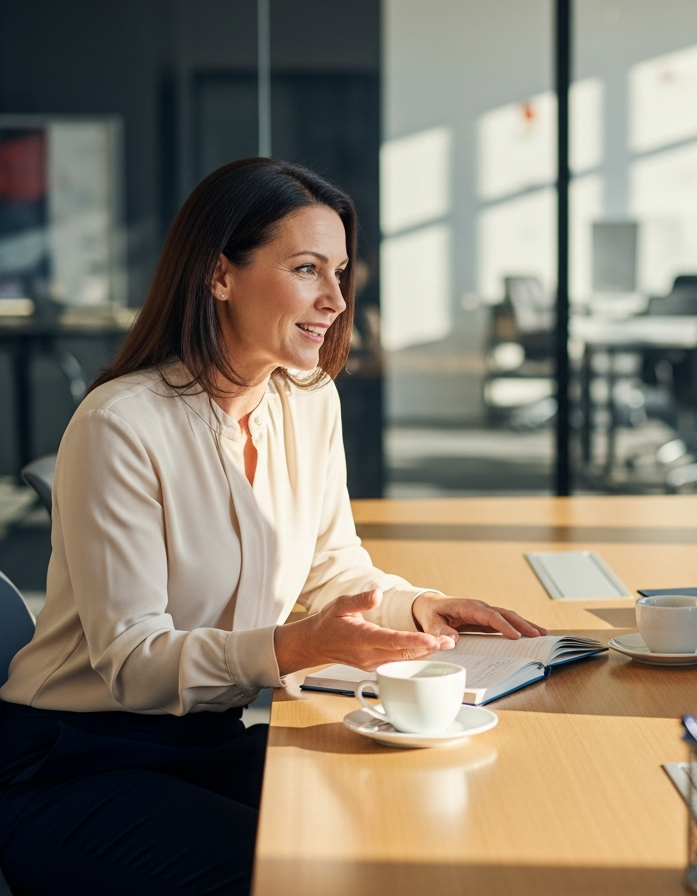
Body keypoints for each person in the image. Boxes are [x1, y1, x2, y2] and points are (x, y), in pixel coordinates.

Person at [0, 158, 547, 895]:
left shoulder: (306, 399)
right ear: (219, 274)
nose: (335, 298)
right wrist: (294, 646)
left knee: (413, 821)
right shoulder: (121, 425)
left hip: (209, 740)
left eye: (342, 271)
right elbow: (131, 664)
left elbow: (332, 568)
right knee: (313, 877)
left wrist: (418, 606)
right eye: (306, 269)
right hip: (78, 762)